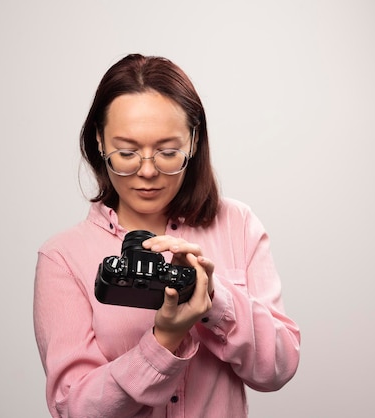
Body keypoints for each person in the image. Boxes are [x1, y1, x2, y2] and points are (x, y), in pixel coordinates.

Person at [33, 53, 301, 418]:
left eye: (168, 151)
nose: (147, 171)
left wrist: (214, 297)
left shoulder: (238, 224)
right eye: (127, 152)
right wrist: (163, 342)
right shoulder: (63, 257)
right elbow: (74, 408)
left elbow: (278, 368)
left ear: (192, 141)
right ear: (99, 139)